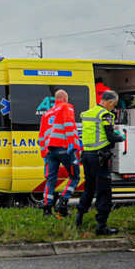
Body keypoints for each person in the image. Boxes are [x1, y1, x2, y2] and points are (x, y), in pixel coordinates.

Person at [76, 90, 125, 234]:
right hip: (100, 157)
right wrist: (122, 137)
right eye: (114, 105)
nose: (114, 108)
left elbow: (96, 132)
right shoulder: (105, 115)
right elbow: (110, 137)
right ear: (109, 102)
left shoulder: (87, 113)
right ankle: (101, 226)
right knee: (104, 191)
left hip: (87, 155)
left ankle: (79, 219)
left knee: (89, 188)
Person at [38, 89, 82, 217]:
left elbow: (41, 136)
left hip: (50, 151)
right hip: (64, 148)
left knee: (51, 180)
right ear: (64, 98)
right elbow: (69, 124)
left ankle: (47, 210)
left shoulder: (46, 114)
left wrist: (44, 155)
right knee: (75, 176)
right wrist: (72, 143)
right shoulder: (66, 107)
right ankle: (62, 202)